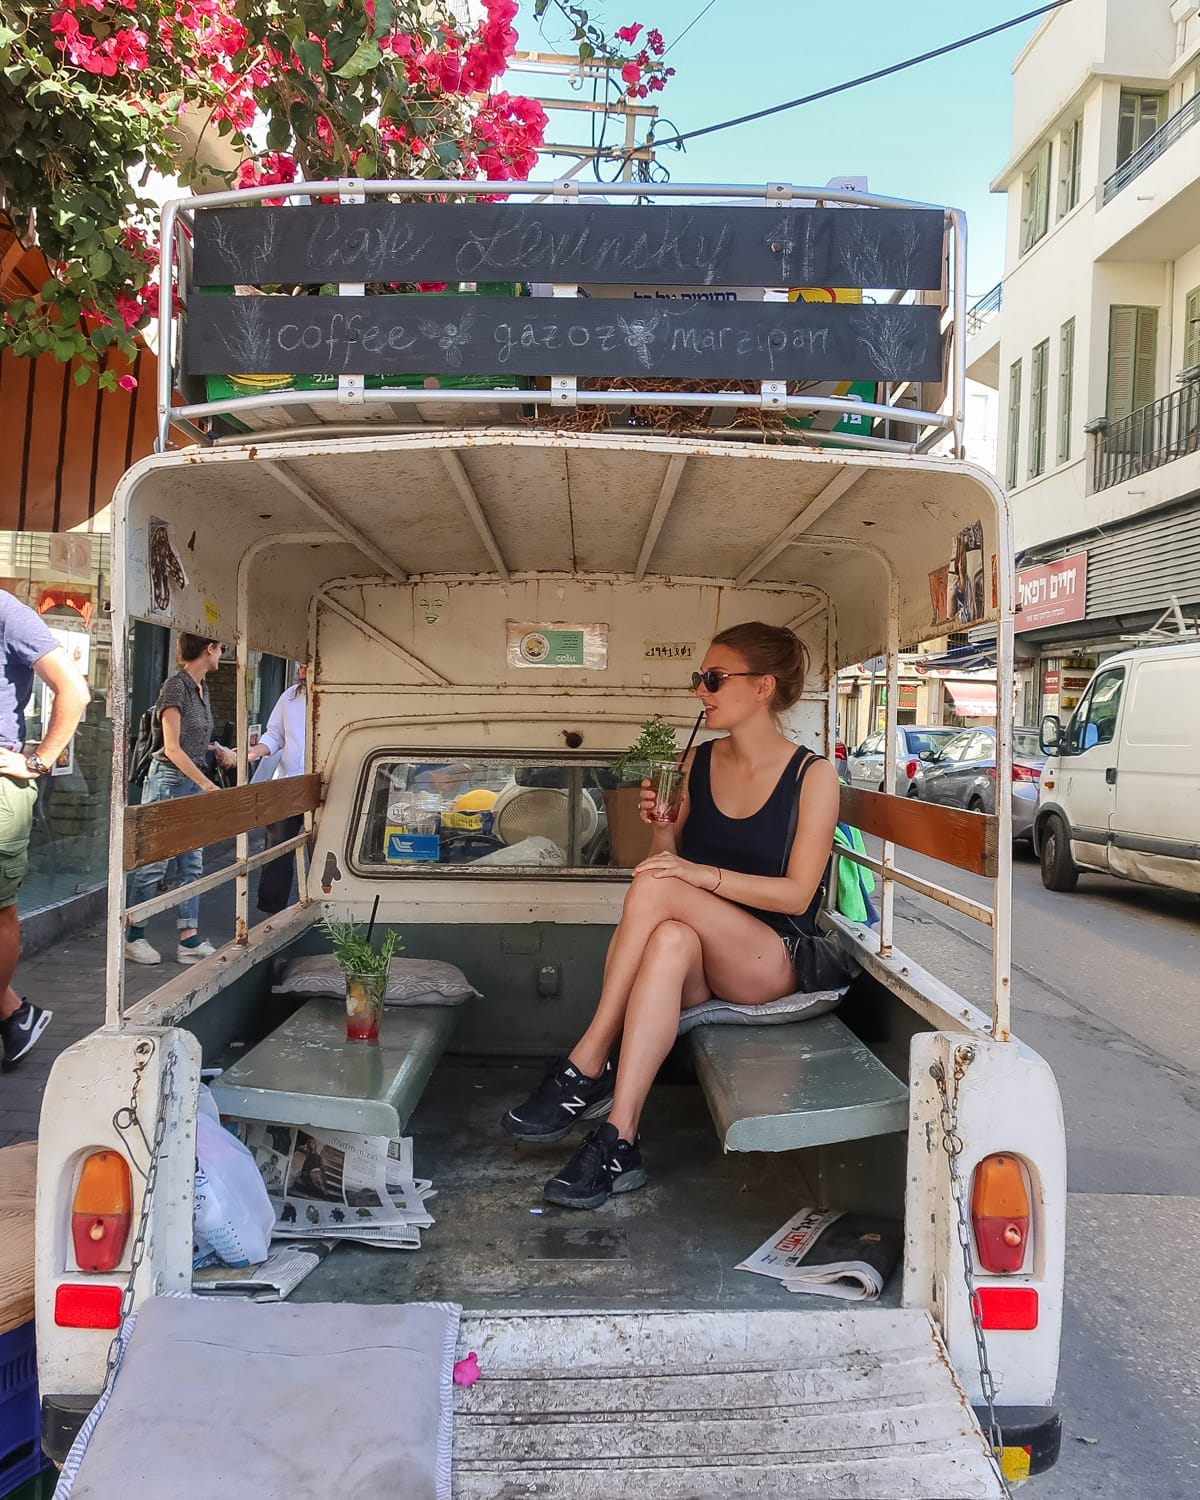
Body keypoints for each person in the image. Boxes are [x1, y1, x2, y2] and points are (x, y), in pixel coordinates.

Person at [501, 621, 840, 1209]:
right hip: (699, 953)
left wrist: (696, 875)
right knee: (670, 940)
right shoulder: (694, 763)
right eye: (698, 679)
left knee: (664, 894)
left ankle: (587, 1061)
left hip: (770, 960)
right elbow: (663, 866)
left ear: (762, 687)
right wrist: (662, 828)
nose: (700, 692)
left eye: (713, 678)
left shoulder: (813, 776)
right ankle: (618, 1138)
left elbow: (796, 895)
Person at [0, 591, 91, 1067]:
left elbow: (75, 691)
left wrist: (38, 761)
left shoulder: (5, 611)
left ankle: (15, 1016)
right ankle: (15, 1014)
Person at [126, 635, 235, 966]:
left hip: (191, 782)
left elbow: (194, 741)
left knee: (192, 863)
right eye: (220, 648)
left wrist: (218, 751)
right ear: (209, 649)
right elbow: (172, 748)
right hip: (167, 782)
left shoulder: (202, 690)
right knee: (156, 862)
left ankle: (189, 939)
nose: (221, 654)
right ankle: (134, 936)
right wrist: (206, 784)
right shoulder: (175, 687)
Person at [247, 663, 308, 915]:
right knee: (277, 848)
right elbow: (274, 734)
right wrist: (257, 751)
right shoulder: (289, 696)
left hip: (328, 782)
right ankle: (271, 914)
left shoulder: (339, 698)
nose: (301, 668)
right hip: (289, 782)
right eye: (300, 664)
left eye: (307, 663)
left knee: (323, 849)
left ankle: (322, 909)